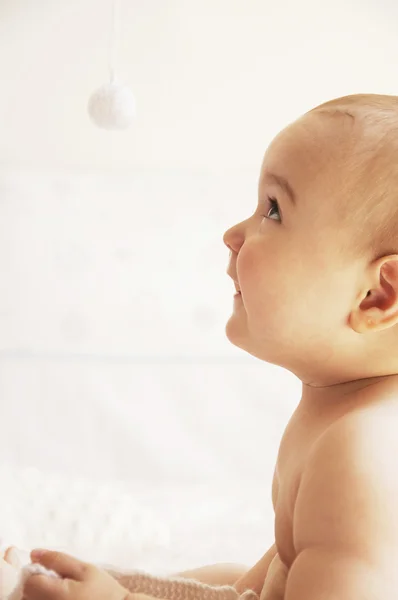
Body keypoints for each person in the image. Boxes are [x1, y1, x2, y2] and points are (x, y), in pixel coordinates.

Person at [5, 92, 398, 600]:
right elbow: (262, 585)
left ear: (376, 296)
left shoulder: (362, 454)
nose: (233, 234)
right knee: (215, 573)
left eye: (273, 210)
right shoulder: (342, 420)